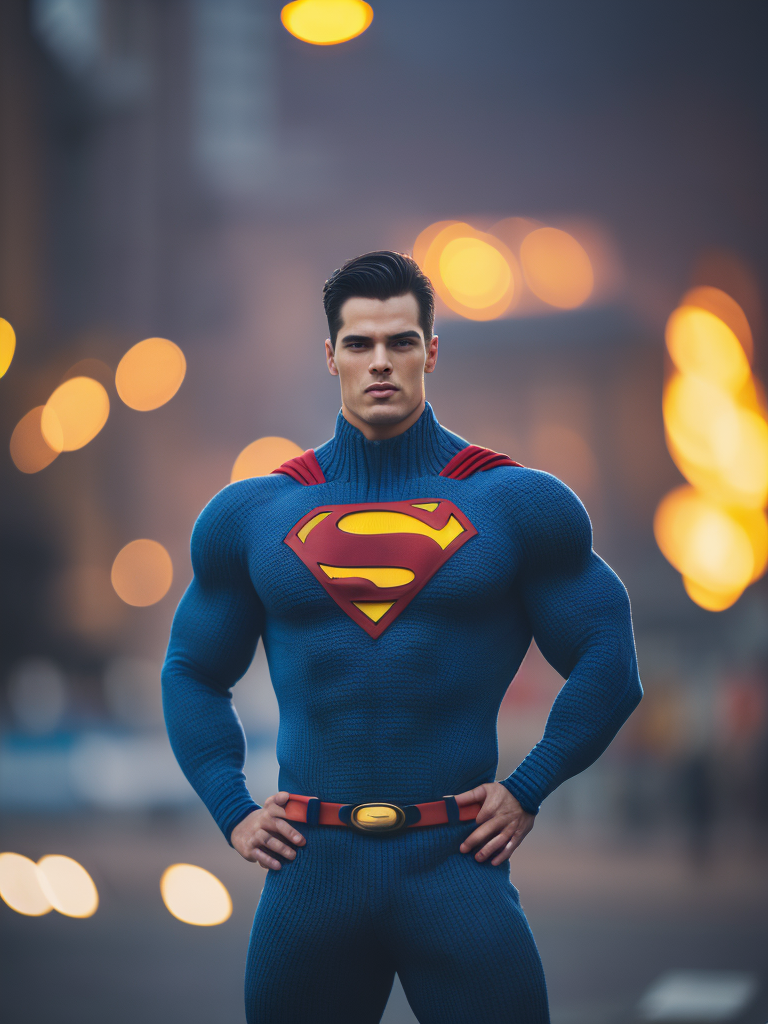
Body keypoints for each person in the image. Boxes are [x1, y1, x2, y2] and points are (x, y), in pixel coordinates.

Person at [162, 250, 643, 1024]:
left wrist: (528, 788)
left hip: (455, 867)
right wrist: (233, 806)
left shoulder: (516, 504)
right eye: (359, 343)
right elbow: (190, 669)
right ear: (330, 356)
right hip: (310, 873)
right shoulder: (251, 516)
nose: (380, 362)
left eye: (401, 341)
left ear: (431, 350)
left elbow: (610, 662)